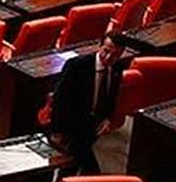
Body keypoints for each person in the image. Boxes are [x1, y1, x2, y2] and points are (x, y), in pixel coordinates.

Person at [48, 35, 125, 174]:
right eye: (106, 51)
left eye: (115, 55)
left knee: (72, 167)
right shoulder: (77, 65)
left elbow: (111, 95)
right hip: (71, 126)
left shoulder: (117, 67)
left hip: (92, 127)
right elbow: (60, 99)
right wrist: (57, 131)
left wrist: (108, 118)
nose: (108, 58)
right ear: (99, 47)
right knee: (90, 169)